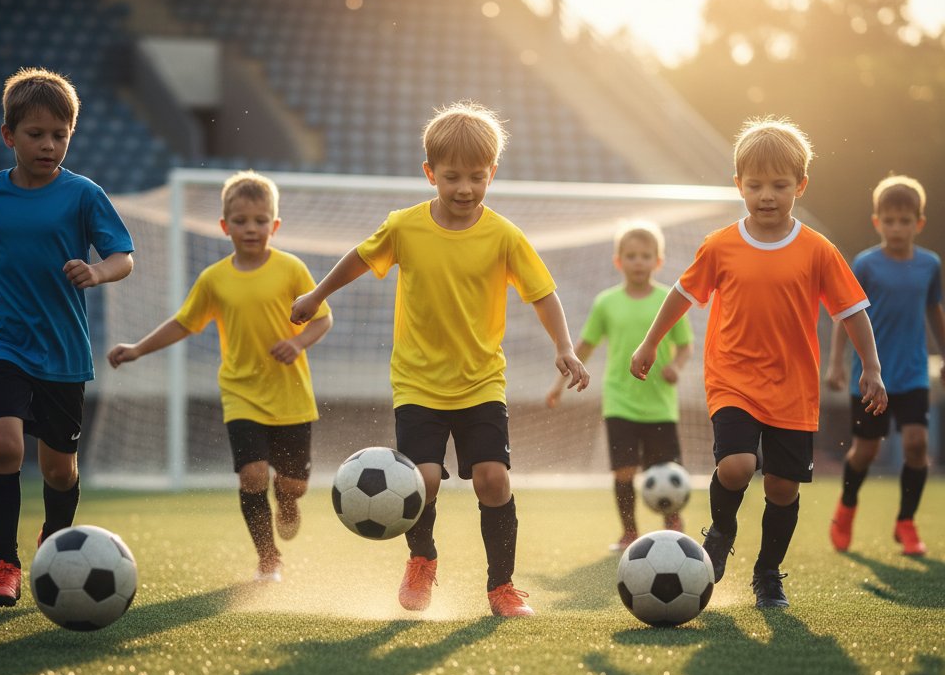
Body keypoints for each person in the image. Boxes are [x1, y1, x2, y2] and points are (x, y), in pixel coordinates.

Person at [290, 101, 590, 618]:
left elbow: (543, 294)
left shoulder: (504, 236)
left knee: (493, 479)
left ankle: (502, 588)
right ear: (430, 173)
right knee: (423, 480)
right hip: (418, 384)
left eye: (477, 176)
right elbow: (361, 258)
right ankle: (422, 559)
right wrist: (317, 295)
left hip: (480, 384)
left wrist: (563, 346)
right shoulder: (405, 227)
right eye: (452, 177)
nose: (465, 188)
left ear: (492, 173)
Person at [630, 117, 887, 609]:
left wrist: (870, 368)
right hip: (733, 378)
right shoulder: (720, 245)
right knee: (737, 465)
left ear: (800, 186)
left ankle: (768, 574)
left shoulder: (817, 250)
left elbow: (852, 312)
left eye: (779, 185)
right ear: (738, 186)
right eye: (755, 185)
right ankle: (720, 533)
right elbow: (682, 296)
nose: (766, 195)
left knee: (783, 487)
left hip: (793, 387)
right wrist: (649, 343)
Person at [0, 67, 134, 608]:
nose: (49, 144)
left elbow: (121, 257)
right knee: (4, 445)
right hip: (3, 340)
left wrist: (98, 272)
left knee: (60, 468)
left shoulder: (84, 194)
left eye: (60, 135)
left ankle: (54, 542)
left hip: (63, 348)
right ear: (8, 135)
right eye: (36, 134)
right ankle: (4, 564)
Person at [108, 171, 332, 582]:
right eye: (242, 221)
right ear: (225, 226)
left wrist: (298, 344)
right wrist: (138, 348)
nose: (251, 228)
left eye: (261, 220)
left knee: (294, 484)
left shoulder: (291, 269)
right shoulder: (215, 279)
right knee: (252, 477)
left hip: (291, 395)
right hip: (240, 393)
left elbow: (322, 319)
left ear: (275, 225)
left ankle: (289, 500)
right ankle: (268, 559)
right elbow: (183, 323)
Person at [546, 219, 693, 552]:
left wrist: (675, 366)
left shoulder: (669, 301)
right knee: (624, 471)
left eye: (645, 256)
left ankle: (672, 524)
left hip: (659, 403)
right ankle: (629, 532)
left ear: (658, 261)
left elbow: (685, 345)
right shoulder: (606, 302)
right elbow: (584, 345)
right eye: (631, 256)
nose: (638, 262)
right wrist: (558, 383)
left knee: (665, 472)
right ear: (618, 261)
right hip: (620, 401)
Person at [825, 174, 945, 556]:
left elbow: (933, 311)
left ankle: (906, 523)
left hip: (912, 375)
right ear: (877, 222)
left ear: (918, 223)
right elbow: (844, 314)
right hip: (871, 377)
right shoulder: (866, 264)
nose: (896, 227)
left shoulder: (930, 265)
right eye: (889, 220)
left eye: (904, 221)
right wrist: (838, 365)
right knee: (866, 452)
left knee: (916, 444)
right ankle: (846, 508)